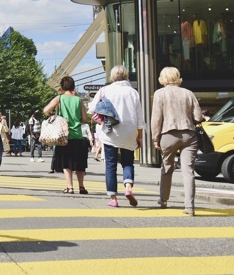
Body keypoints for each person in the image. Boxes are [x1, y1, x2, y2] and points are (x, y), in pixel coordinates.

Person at [88, 65, 145, 208]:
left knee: (110, 165)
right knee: (127, 162)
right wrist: (140, 137)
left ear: (112, 76)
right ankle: (128, 188)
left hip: (110, 132)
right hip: (129, 132)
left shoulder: (105, 90)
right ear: (126, 75)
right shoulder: (133, 92)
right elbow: (140, 118)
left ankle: (113, 198)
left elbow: (92, 108)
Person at [151, 66, 204, 215]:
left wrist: (155, 138)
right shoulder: (188, 93)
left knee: (167, 168)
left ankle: (163, 200)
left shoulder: (159, 94)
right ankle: (190, 207)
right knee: (188, 171)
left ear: (163, 78)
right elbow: (198, 117)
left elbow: (156, 118)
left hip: (168, 134)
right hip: (189, 135)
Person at [43, 75, 90, 194]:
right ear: (73, 86)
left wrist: (54, 115)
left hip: (64, 136)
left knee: (66, 162)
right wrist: (77, 120)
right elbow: (85, 118)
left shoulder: (59, 98)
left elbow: (46, 110)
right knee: (80, 163)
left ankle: (70, 187)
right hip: (78, 136)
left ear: (62, 87)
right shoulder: (78, 100)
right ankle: (81, 187)